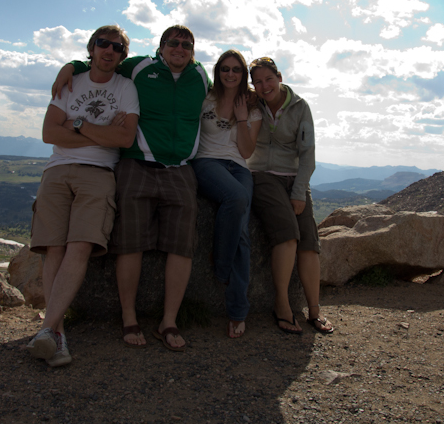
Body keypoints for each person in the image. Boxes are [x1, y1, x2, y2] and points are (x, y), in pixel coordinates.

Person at [51, 25, 210, 351]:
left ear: (193, 51)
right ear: (160, 47)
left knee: (182, 246)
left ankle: (169, 320)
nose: (179, 48)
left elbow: (231, 84)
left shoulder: (201, 76)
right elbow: (102, 62)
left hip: (180, 168)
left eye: (186, 44)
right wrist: (72, 66)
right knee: (130, 243)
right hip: (136, 163)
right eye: (173, 43)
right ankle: (128, 316)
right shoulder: (138, 67)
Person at [28, 25, 140, 366]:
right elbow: (49, 133)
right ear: (91, 48)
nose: (109, 50)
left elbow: (124, 139)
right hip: (57, 170)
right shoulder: (70, 81)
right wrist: (101, 132)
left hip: (99, 174)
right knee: (53, 248)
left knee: (79, 245)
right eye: (103, 44)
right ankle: (54, 335)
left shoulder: (126, 88)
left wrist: (75, 126)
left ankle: (49, 332)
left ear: (122, 56)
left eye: (117, 47)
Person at [247, 57, 334, 335]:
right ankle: (282, 305)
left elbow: (308, 154)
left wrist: (299, 191)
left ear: (279, 77)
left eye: (268, 79)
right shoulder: (252, 103)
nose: (264, 86)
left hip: (294, 178)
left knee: (309, 243)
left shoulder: (299, 106)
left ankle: (315, 310)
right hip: (262, 175)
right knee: (287, 234)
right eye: (257, 82)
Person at [190, 49, 261, 339]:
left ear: (243, 75)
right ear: (217, 72)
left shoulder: (251, 106)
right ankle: (221, 267)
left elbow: (246, 151)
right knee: (237, 198)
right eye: (224, 69)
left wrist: (242, 118)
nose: (230, 74)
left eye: (236, 70)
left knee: (242, 234)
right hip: (206, 162)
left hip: (238, 166)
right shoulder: (205, 97)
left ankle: (236, 312)